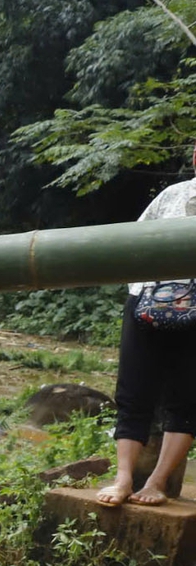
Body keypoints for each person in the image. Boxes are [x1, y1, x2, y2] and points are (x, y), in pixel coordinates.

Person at [100, 150, 196, 507]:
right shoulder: (172, 195)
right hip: (147, 301)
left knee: (186, 399)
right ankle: (123, 477)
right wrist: (139, 294)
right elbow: (135, 243)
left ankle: (157, 482)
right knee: (132, 393)